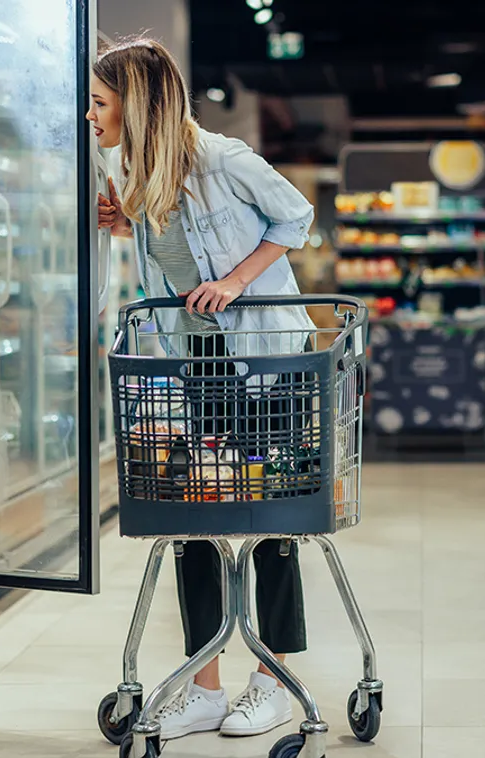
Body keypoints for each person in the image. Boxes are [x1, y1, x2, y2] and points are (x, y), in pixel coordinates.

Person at [90, 38, 317, 741]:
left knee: (271, 522)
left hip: (267, 358)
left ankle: (273, 682)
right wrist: (130, 223)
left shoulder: (224, 159)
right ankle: (207, 684)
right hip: (194, 367)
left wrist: (236, 283)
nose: (91, 114)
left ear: (139, 104)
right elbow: (179, 248)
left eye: (100, 103)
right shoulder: (136, 170)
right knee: (191, 520)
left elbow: (297, 219)